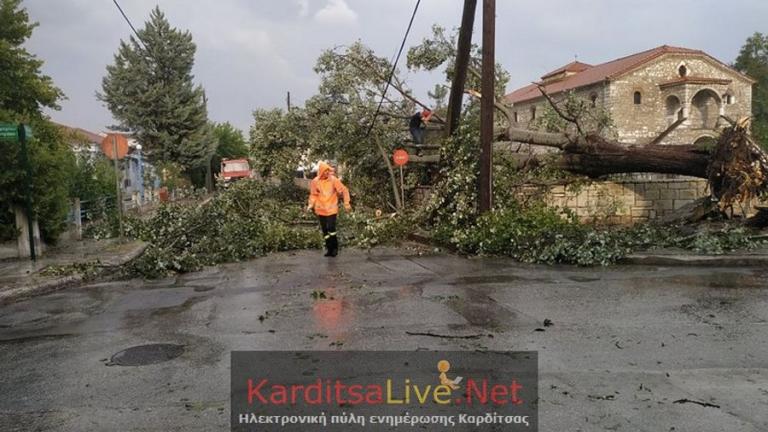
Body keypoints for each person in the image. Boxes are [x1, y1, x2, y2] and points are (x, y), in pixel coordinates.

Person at [307, 161, 351, 257]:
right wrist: (310, 204)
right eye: (326, 171)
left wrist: (346, 203)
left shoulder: (333, 180)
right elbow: (313, 195)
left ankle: (335, 248)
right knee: (325, 230)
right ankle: (329, 249)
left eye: (328, 171)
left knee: (331, 228)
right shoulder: (315, 181)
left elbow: (344, 190)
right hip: (321, 209)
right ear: (321, 171)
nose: (327, 173)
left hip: (331, 209)